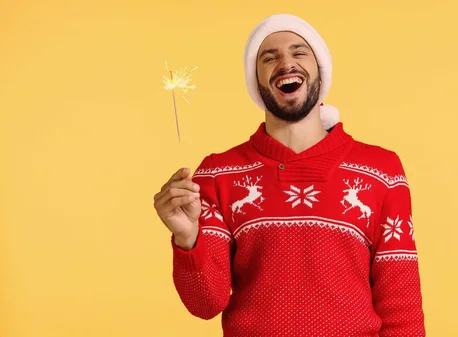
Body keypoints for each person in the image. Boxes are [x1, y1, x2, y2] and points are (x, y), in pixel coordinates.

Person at [153, 13, 426, 337]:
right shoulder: (218, 174)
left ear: (321, 72)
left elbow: (402, 310)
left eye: (299, 52)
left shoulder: (382, 172)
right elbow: (205, 304)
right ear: (255, 80)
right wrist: (188, 238)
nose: (285, 63)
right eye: (270, 57)